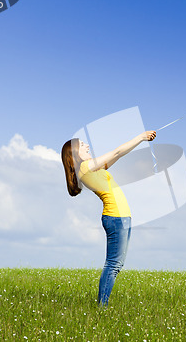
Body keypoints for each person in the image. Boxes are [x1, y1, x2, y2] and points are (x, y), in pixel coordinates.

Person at [61, 130, 157, 305]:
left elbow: (117, 156)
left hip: (121, 218)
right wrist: (141, 137)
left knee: (116, 265)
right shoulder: (83, 167)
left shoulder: (92, 168)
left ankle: (102, 305)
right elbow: (116, 152)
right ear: (75, 153)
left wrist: (140, 141)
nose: (87, 145)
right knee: (113, 265)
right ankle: (101, 307)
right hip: (115, 218)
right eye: (83, 145)